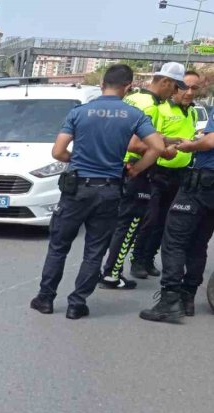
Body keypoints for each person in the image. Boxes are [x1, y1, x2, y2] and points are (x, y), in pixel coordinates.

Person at [30, 64, 164, 320]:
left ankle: (45, 299)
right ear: (128, 87)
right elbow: (156, 147)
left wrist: (77, 159)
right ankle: (76, 304)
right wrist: (135, 170)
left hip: (77, 188)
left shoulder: (79, 112)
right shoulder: (133, 114)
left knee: (59, 246)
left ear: (102, 84)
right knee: (94, 250)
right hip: (110, 190)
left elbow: (57, 152)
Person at [99, 62, 187, 288]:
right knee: (130, 223)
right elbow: (135, 142)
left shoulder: (136, 98)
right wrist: (164, 151)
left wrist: (168, 140)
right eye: (175, 87)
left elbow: (145, 135)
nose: (175, 92)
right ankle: (112, 273)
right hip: (136, 169)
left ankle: (108, 270)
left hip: (117, 168)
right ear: (165, 81)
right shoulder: (150, 105)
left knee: (120, 221)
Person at [139, 110, 214, 322]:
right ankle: (187, 297)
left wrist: (192, 145)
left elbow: (211, 141)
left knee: (174, 241)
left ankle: (170, 300)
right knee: (198, 243)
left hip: (203, 184)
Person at [129, 71, 202, 278]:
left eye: (194, 89)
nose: (189, 93)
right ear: (174, 88)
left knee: (165, 222)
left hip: (181, 174)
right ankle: (137, 259)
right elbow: (150, 139)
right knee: (149, 219)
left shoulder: (194, 113)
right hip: (157, 171)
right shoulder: (161, 109)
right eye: (184, 87)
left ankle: (149, 258)